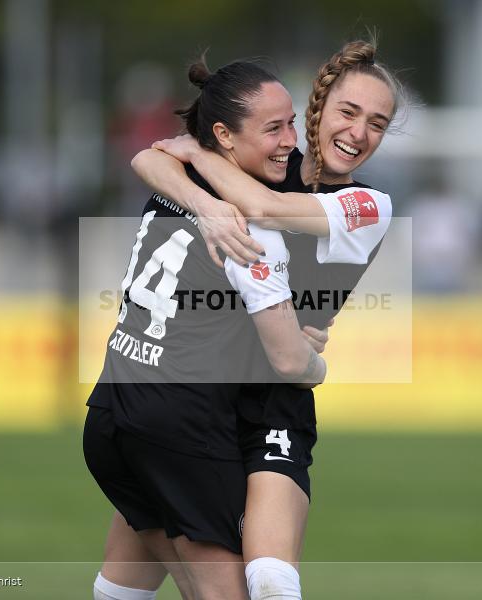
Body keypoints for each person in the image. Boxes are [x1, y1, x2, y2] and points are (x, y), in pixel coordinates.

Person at [121, 40, 403, 600]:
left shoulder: (369, 204)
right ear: (316, 109)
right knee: (124, 584)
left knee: (270, 581)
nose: (359, 133)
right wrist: (200, 196)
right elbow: (149, 158)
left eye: (378, 123)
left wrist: (200, 159)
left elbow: (262, 208)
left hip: (275, 397)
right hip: (204, 397)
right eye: (348, 112)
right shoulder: (268, 158)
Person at [84, 58, 329, 600]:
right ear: (223, 134)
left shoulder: (178, 175)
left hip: (111, 413)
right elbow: (288, 360)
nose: (292, 141)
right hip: (179, 423)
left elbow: (147, 157)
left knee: (122, 588)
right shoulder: (246, 217)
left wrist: (196, 175)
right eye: (274, 128)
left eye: (293, 123)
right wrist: (316, 363)